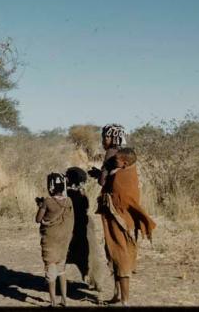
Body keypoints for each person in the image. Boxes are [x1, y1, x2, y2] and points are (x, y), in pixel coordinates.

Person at [98, 147, 156, 306]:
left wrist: (106, 194)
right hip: (119, 220)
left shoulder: (123, 177)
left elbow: (121, 199)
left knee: (122, 258)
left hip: (122, 222)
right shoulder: (124, 172)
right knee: (115, 254)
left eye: (116, 160)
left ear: (124, 163)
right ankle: (117, 295)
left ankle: (125, 301)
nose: (113, 162)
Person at [65, 167, 106, 297]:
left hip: (71, 226)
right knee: (91, 254)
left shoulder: (68, 195)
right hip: (85, 225)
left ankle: (54, 279)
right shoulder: (82, 194)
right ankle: (96, 281)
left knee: (62, 253)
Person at [35, 173, 74, 307]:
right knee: (61, 269)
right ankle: (64, 299)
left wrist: (40, 206)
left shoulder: (48, 201)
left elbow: (38, 219)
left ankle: (53, 302)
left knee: (50, 271)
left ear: (51, 186)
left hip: (50, 242)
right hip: (63, 241)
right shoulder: (68, 201)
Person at [88, 124, 127, 213]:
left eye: (105, 138)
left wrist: (99, 175)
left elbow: (102, 182)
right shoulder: (125, 152)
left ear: (112, 138)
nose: (103, 141)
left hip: (114, 197)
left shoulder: (111, 152)